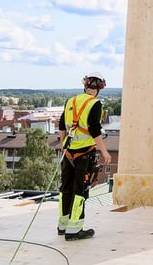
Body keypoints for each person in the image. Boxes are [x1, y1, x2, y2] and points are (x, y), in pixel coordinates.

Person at [57, 72, 112, 241]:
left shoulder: (71, 101)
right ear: (100, 87)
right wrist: (104, 151)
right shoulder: (95, 104)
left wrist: (64, 146)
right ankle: (74, 230)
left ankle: (63, 225)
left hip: (69, 153)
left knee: (65, 188)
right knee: (80, 190)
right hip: (84, 153)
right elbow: (95, 130)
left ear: (85, 85)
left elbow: (61, 126)